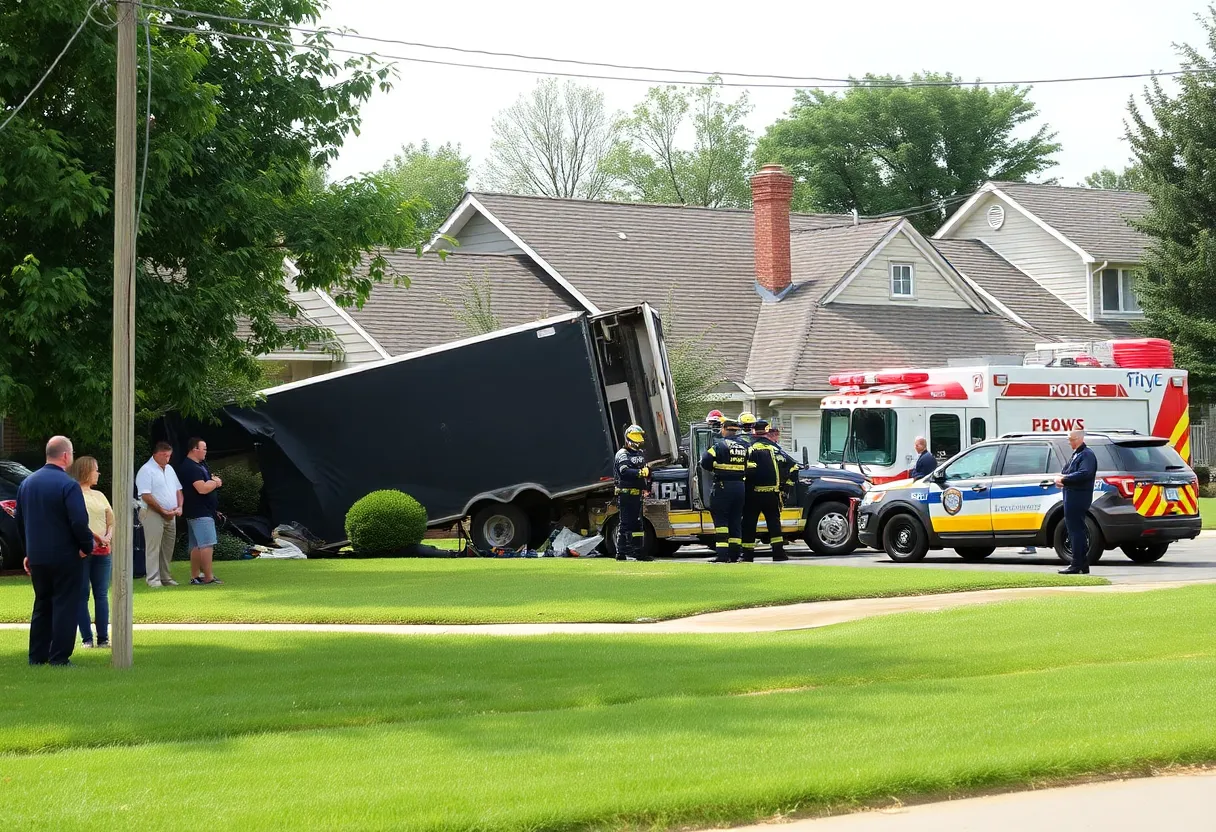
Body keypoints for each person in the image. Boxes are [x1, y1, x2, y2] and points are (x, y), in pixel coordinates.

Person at [14, 436, 93, 666]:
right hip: (65, 555)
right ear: (66, 456)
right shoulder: (68, 485)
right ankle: (59, 656)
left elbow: (20, 520)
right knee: (65, 604)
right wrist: (85, 547)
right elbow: (79, 521)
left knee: (42, 604)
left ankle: (37, 656)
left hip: (38, 556)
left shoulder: (26, 483)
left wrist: (27, 551)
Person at [69, 456, 114, 649]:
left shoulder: (100, 495)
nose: (98, 473)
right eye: (95, 469)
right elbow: (78, 523)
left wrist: (107, 537)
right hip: (83, 551)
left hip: (103, 551)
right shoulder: (74, 494)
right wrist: (97, 537)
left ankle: (103, 638)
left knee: (101, 593)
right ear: (86, 470)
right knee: (82, 594)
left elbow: (111, 519)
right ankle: (86, 638)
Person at [741, 420, 799, 562]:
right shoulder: (776, 449)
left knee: (749, 524)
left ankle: (747, 555)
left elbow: (746, 472)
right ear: (767, 432)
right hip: (772, 494)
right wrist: (785, 488)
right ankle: (778, 553)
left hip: (753, 495)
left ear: (753, 432)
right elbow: (794, 468)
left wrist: (745, 490)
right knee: (774, 524)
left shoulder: (750, 449)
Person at [700, 417, 749, 563]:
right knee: (735, 521)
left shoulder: (720, 446)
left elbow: (705, 460)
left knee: (721, 521)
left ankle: (722, 555)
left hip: (723, 487)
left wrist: (715, 468)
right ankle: (735, 554)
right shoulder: (746, 446)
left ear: (724, 429)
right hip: (740, 487)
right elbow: (751, 465)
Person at [136, 442, 183, 588]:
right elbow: (146, 495)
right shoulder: (146, 470)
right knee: (153, 547)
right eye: (164, 455)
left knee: (167, 547)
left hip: (171, 513)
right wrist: (163, 510)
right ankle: (153, 579)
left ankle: (165, 577)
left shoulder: (169, 469)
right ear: (155, 454)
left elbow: (178, 490)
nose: (167, 459)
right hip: (152, 513)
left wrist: (180, 506)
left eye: (169, 456)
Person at [178, 438, 224, 585]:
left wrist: (211, 483)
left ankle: (195, 576)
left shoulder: (200, 465)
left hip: (203, 511)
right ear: (194, 449)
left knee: (197, 545)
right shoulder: (190, 467)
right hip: (199, 512)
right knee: (207, 544)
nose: (205, 452)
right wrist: (215, 483)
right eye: (203, 448)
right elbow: (202, 488)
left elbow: (206, 483)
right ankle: (208, 576)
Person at [1055, 429, 1098, 575]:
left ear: (1079, 438)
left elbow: (1085, 473)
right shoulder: (1077, 454)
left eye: (1071, 439)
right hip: (1071, 496)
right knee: (1075, 529)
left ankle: (1076, 563)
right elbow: (1068, 471)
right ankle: (1083, 564)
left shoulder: (1087, 454)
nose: (1069, 442)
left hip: (1078, 497)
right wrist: (1062, 478)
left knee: (1075, 530)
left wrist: (1064, 479)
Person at [613, 425, 653, 562]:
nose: (638, 441)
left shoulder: (640, 454)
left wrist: (647, 485)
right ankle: (621, 552)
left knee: (638, 525)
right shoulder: (622, 454)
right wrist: (640, 473)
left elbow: (646, 471)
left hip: (638, 495)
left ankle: (638, 552)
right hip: (625, 494)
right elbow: (624, 471)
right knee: (625, 523)